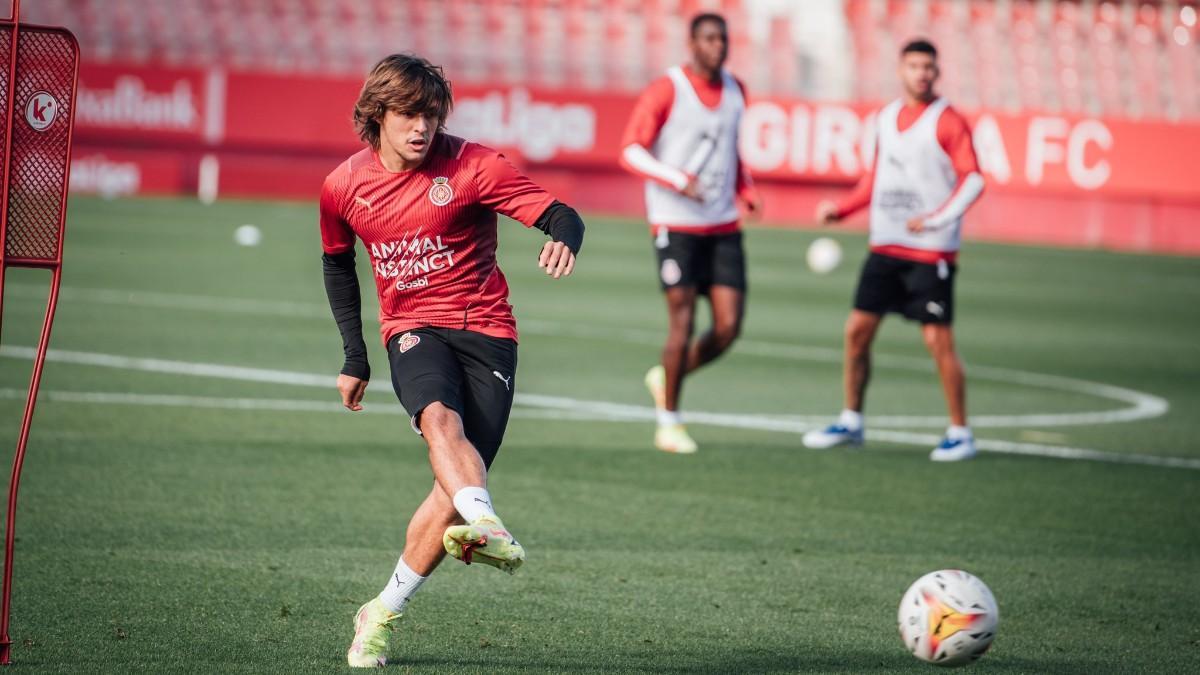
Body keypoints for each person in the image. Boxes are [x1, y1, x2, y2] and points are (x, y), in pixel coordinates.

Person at [319, 54, 585, 667]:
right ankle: (488, 525)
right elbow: (338, 264)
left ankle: (381, 610)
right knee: (439, 420)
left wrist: (563, 239)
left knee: (455, 489)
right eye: (409, 114)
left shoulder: (473, 165)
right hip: (411, 329)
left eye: (431, 116)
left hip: (488, 331)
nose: (421, 128)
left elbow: (559, 213)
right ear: (376, 114)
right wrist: (355, 355)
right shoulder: (343, 186)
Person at [803, 39, 985, 462]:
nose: (921, 73)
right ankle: (851, 420)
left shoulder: (948, 121)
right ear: (900, 70)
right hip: (886, 245)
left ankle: (961, 432)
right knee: (856, 333)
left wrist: (938, 219)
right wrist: (842, 209)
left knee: (937, 340)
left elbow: (973, 179)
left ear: (937, 73)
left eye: (928, 67)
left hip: (930, 250)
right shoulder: (886, 118)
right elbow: (874, 179)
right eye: (914, 66)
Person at [619, 12, 760, 455]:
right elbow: (630, 149)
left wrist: (745, 189)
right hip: (675, 223)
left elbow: (731, 149)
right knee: (682, 321)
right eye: (709, 39)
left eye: (723, 39)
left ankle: (667, 376)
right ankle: (669, 422)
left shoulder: (737, 90)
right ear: (692, 44)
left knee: (728, 327)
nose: (718, 46)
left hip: (722, 225)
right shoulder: (669, 89)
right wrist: (677, 180)